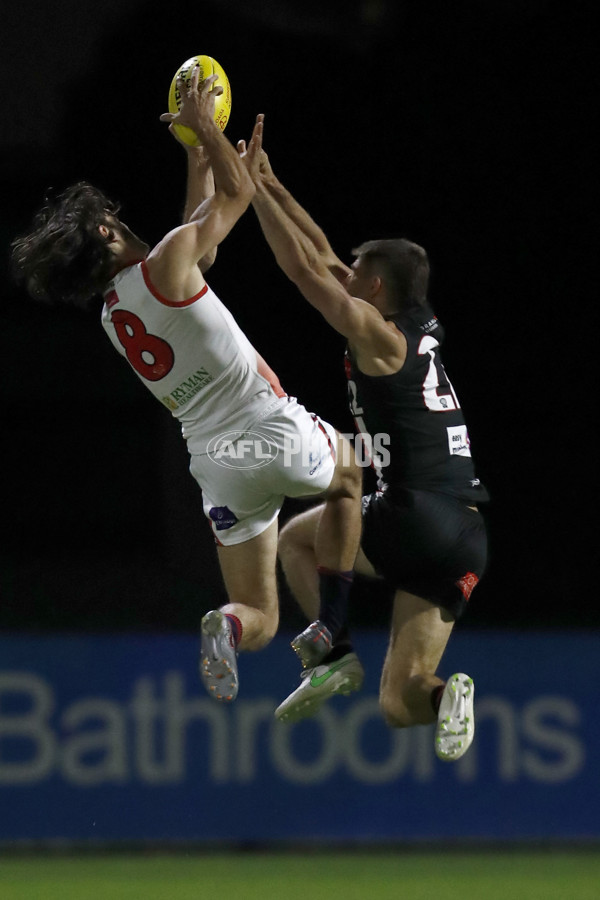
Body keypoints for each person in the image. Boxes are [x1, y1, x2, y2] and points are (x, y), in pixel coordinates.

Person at [10, 72, 362, 706]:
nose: (122, 220)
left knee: (259, 613)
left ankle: (225, 625)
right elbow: (238, 193)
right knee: (356, 475)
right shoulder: (166, 261)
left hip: (218, 466)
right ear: (105, 234)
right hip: (269, 426)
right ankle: (342, 633)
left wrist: (197, 155)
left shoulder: (115, 316)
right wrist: (209, 132)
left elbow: (200, 252)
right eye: (114, 218)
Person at [238, 115, 489, 761]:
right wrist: (267, 183)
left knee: (295, 541)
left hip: (416, 510)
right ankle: (447, 697)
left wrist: (243, 185)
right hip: (464, 534)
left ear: (373, 286)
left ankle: (335, 653)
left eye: (354, 272)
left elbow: (303, 269)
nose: (341, 273)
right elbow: (321, 251)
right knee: (401, 702)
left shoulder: (379, 340)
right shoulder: (415, 319)